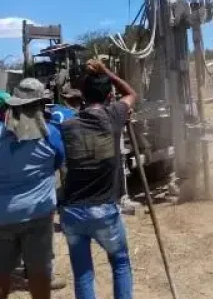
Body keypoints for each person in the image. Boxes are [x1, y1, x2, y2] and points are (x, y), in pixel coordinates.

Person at [58, 59, 136, 299]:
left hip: (71, 212)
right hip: (102, 210)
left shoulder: (68, 126)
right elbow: (131, 93)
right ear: (109, 96)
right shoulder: (113, 116)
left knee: (83, 274)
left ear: (82, 95)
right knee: (120, 263)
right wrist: (106, 72)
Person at [0, 78, 65, 299]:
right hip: (39, 215)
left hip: (3, 216)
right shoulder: (52, 135)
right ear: (40, 105)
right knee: (39, 275)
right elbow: (57, 163)